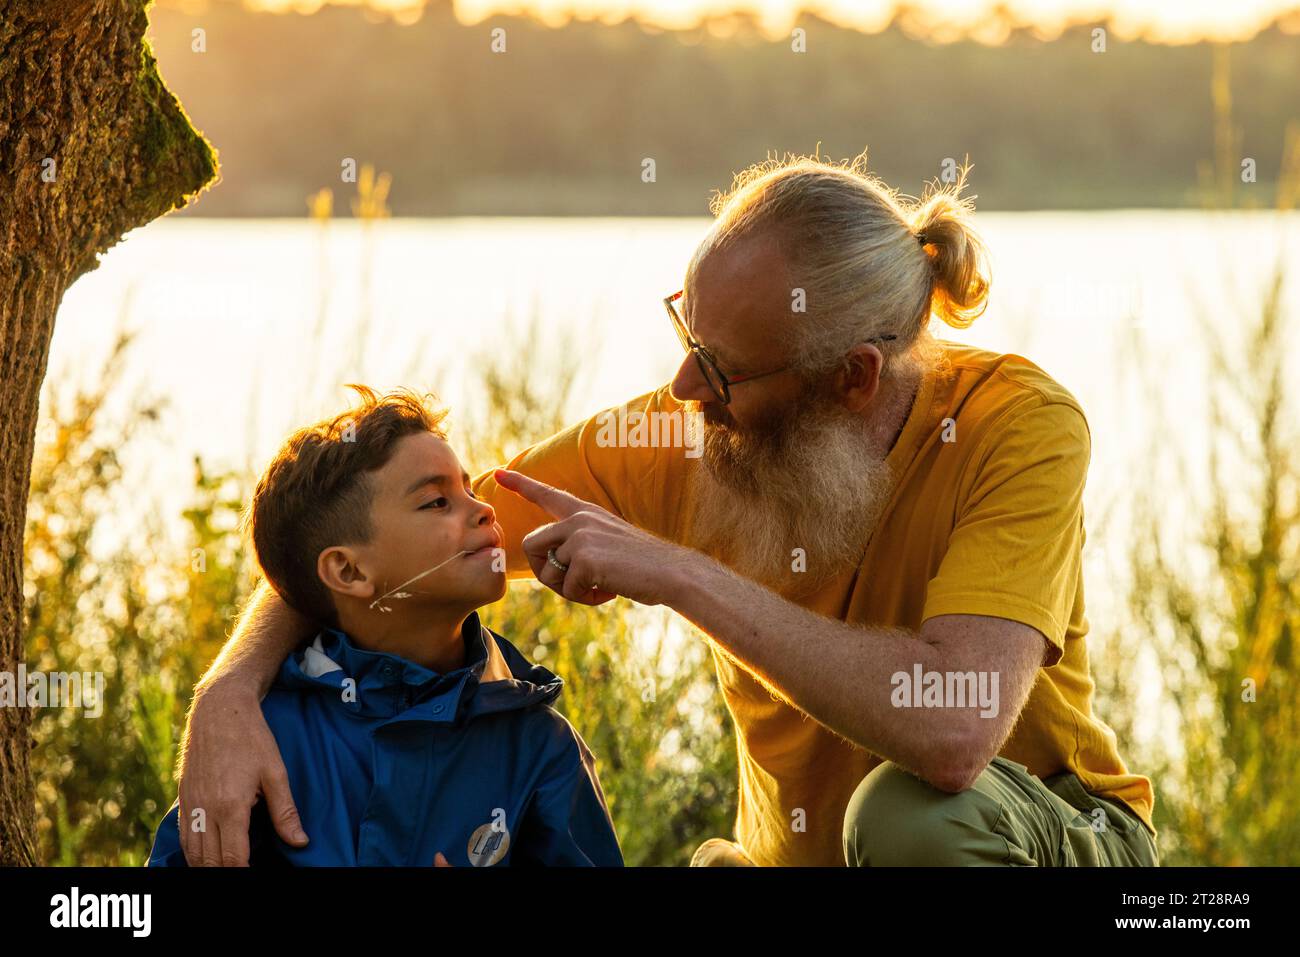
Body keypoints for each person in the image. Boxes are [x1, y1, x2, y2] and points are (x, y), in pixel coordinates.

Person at [176, 152, 1158, 866]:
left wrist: (679, 575)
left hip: (1043, 833)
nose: (685, 383)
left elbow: (957, 730)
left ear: (852, 378)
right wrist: (227, 694)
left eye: (724, 366)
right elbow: (380, 540)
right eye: (687, 331)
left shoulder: (1015, 427)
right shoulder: (688, 431)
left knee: (913, 820)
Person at [148, 386, 623, 866]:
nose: (487, 509)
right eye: (437, 501)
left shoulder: (542, 748)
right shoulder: (261, 740)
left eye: (471, 490)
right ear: (349, 572)